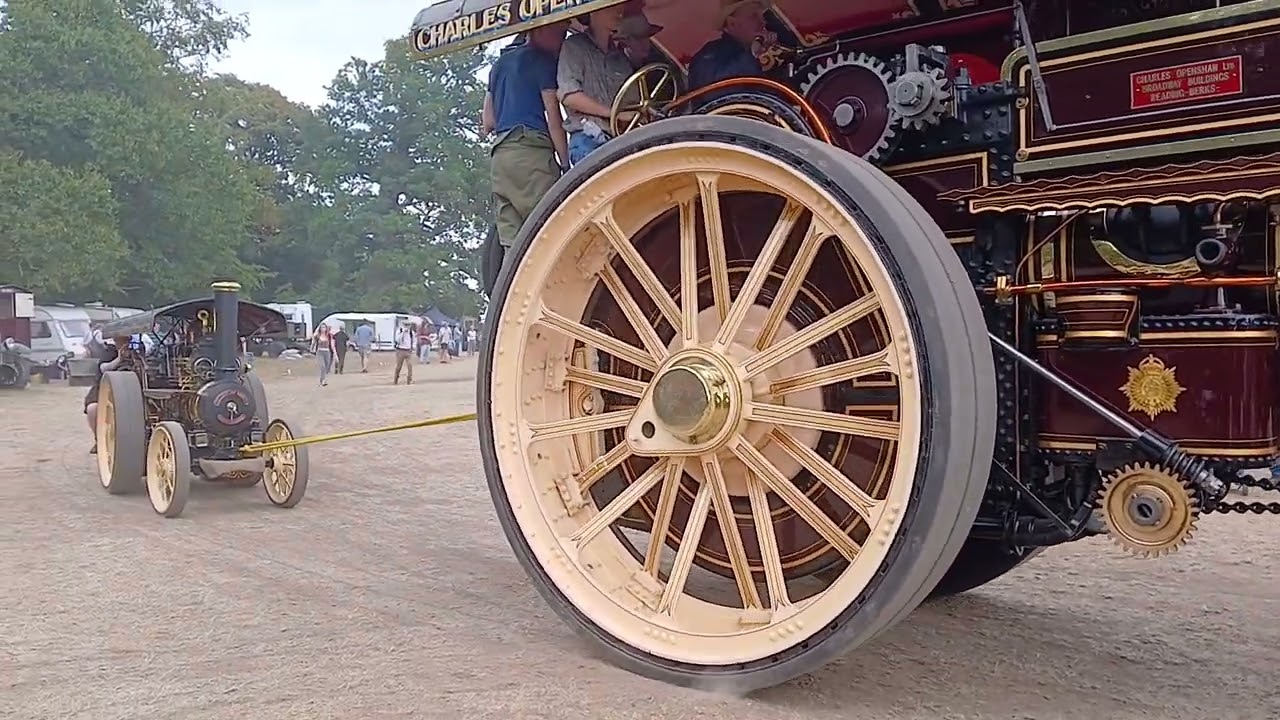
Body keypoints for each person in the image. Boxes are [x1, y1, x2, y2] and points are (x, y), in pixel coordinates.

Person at [488, 21, 571, 257]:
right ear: (538, 29)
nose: (562, 39)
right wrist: (566, 165)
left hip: (500, 159)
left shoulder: (499, 65)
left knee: (513, 247)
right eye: (559, 32)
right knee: (551, 227)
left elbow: (488, 121)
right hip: (530, 155)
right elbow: (554, 121)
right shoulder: (542, 62)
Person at [557, 6, 634, 164]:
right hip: (588, 140)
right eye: (611, 7)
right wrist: (614, 114)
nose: (619, 12)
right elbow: (569, 96)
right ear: (593, 11)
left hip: (620, 142)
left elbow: (635, 102)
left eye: (620, 7)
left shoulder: (621, 58)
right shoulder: (574, 46)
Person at [688, 0, 775, 95]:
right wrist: (752, 54)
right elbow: (715, 93)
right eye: (754, 16)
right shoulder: (710, 55)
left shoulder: (753, 54)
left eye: (762, 16)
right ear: (732, 23)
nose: (763, 22)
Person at [85, 335, 133, 454]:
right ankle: (99, 439)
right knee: (93, 409)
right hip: (104, 388)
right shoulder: (108, 351)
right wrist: (119, 359)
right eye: (119, 340)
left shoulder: (135, 352)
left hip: (127, 388)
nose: (121, 343)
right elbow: (103, 368)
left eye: (125, 340)